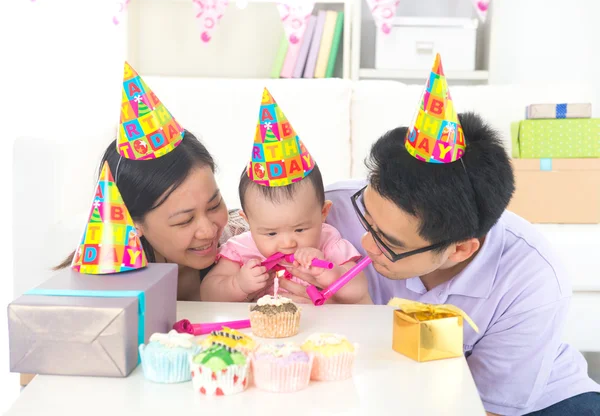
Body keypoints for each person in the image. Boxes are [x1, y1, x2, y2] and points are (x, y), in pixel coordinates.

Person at [281, 56, 600, 415]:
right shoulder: (332, 211)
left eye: (389, 243)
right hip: (391, 387)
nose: (366, 242)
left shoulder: (532, 281)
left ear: (461, 249)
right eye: (365, 216)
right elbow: (251, 231)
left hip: (532, 403)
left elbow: (489, 408)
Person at [55, 62, 248, 300]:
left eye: (214, 205)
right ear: (134, 223)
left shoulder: (248, 244)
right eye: (184, 220)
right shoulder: (105, 285)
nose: (209, 230)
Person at [201, 88, 370, 304]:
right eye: (270, 233)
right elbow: (207, 293)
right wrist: (237, 284)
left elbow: (358, 290)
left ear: (323, 213)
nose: (287, 242)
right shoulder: (243, 248)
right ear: (248, 222)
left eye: (300, 229)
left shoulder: (328, 243)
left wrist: (331, 274)